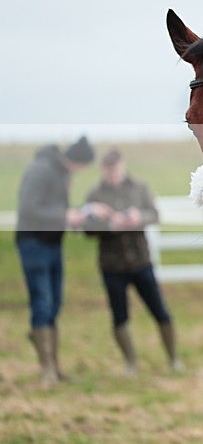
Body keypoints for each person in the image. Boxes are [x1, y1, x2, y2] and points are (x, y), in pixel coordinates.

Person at [83, 148, 183, 376]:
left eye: (116, 170)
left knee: (160, 311)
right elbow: (86, 230)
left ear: (122, 165)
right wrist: (108, 224)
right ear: (103, 170)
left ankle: (173, 358)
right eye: (109, 172)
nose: (113, 175)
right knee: (119, 315)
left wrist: (139, 218)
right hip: (112, 265)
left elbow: (155, 214)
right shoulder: (95, 194)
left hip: (141, 261)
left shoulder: (139, 187)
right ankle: (131, 363)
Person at [15, 135, 95, 384]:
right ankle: (47, 369)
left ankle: (54, 366)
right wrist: (64, 216)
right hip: (33, 243)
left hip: (52, 244)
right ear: (78, 161)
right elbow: (29, 208)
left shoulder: (60, 172)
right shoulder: (41, 170)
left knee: (54, 303)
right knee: (42, 301)